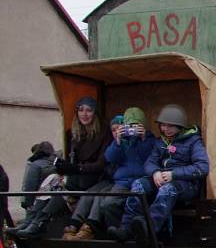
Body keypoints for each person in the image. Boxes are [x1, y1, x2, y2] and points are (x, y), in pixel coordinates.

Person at [108, 104, 209, 243]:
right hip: (162, 178)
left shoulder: (193, 141)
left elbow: (202, 167)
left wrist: (173, 174)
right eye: (163, 125)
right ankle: (126, 228)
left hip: (186, 184)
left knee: (167, 190)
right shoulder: (160, 141)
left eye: (170, 126)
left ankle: (149, 230)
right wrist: (155, 172)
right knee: (138, 185)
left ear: (180, 126)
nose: (165, 129)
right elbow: (150, 162)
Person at [14, 97, 111, 238]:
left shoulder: (104, 133)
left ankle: (39, 222)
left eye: (89, 110)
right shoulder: (74, 133)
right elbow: (72, 159)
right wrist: (62, 166)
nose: (84, 114)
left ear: (95, 113)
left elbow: (101, 164)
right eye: (81, 110)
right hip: (78, 177)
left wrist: (76, 169)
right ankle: (33, 219)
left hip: (94, 178)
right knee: (53, 179)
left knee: (60, 187)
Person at [65, 108, 156, 240]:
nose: (132, 129)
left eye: (136, 126)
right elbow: (110, 158)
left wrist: (142, 138)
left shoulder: (149, 139)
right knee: (108, 204)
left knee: (136, 200)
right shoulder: (122, 141)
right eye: (129, 126)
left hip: (143, 180)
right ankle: (115, 233)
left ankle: (130, 233)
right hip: (123, 182)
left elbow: (147, 157)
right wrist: (119, 141)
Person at [20, 141, 57, 219]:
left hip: (37, 200)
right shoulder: (57, 163)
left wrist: (27, 202)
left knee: (31, 221)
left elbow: (30, 184)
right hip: (53, 201)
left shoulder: (35, 164)